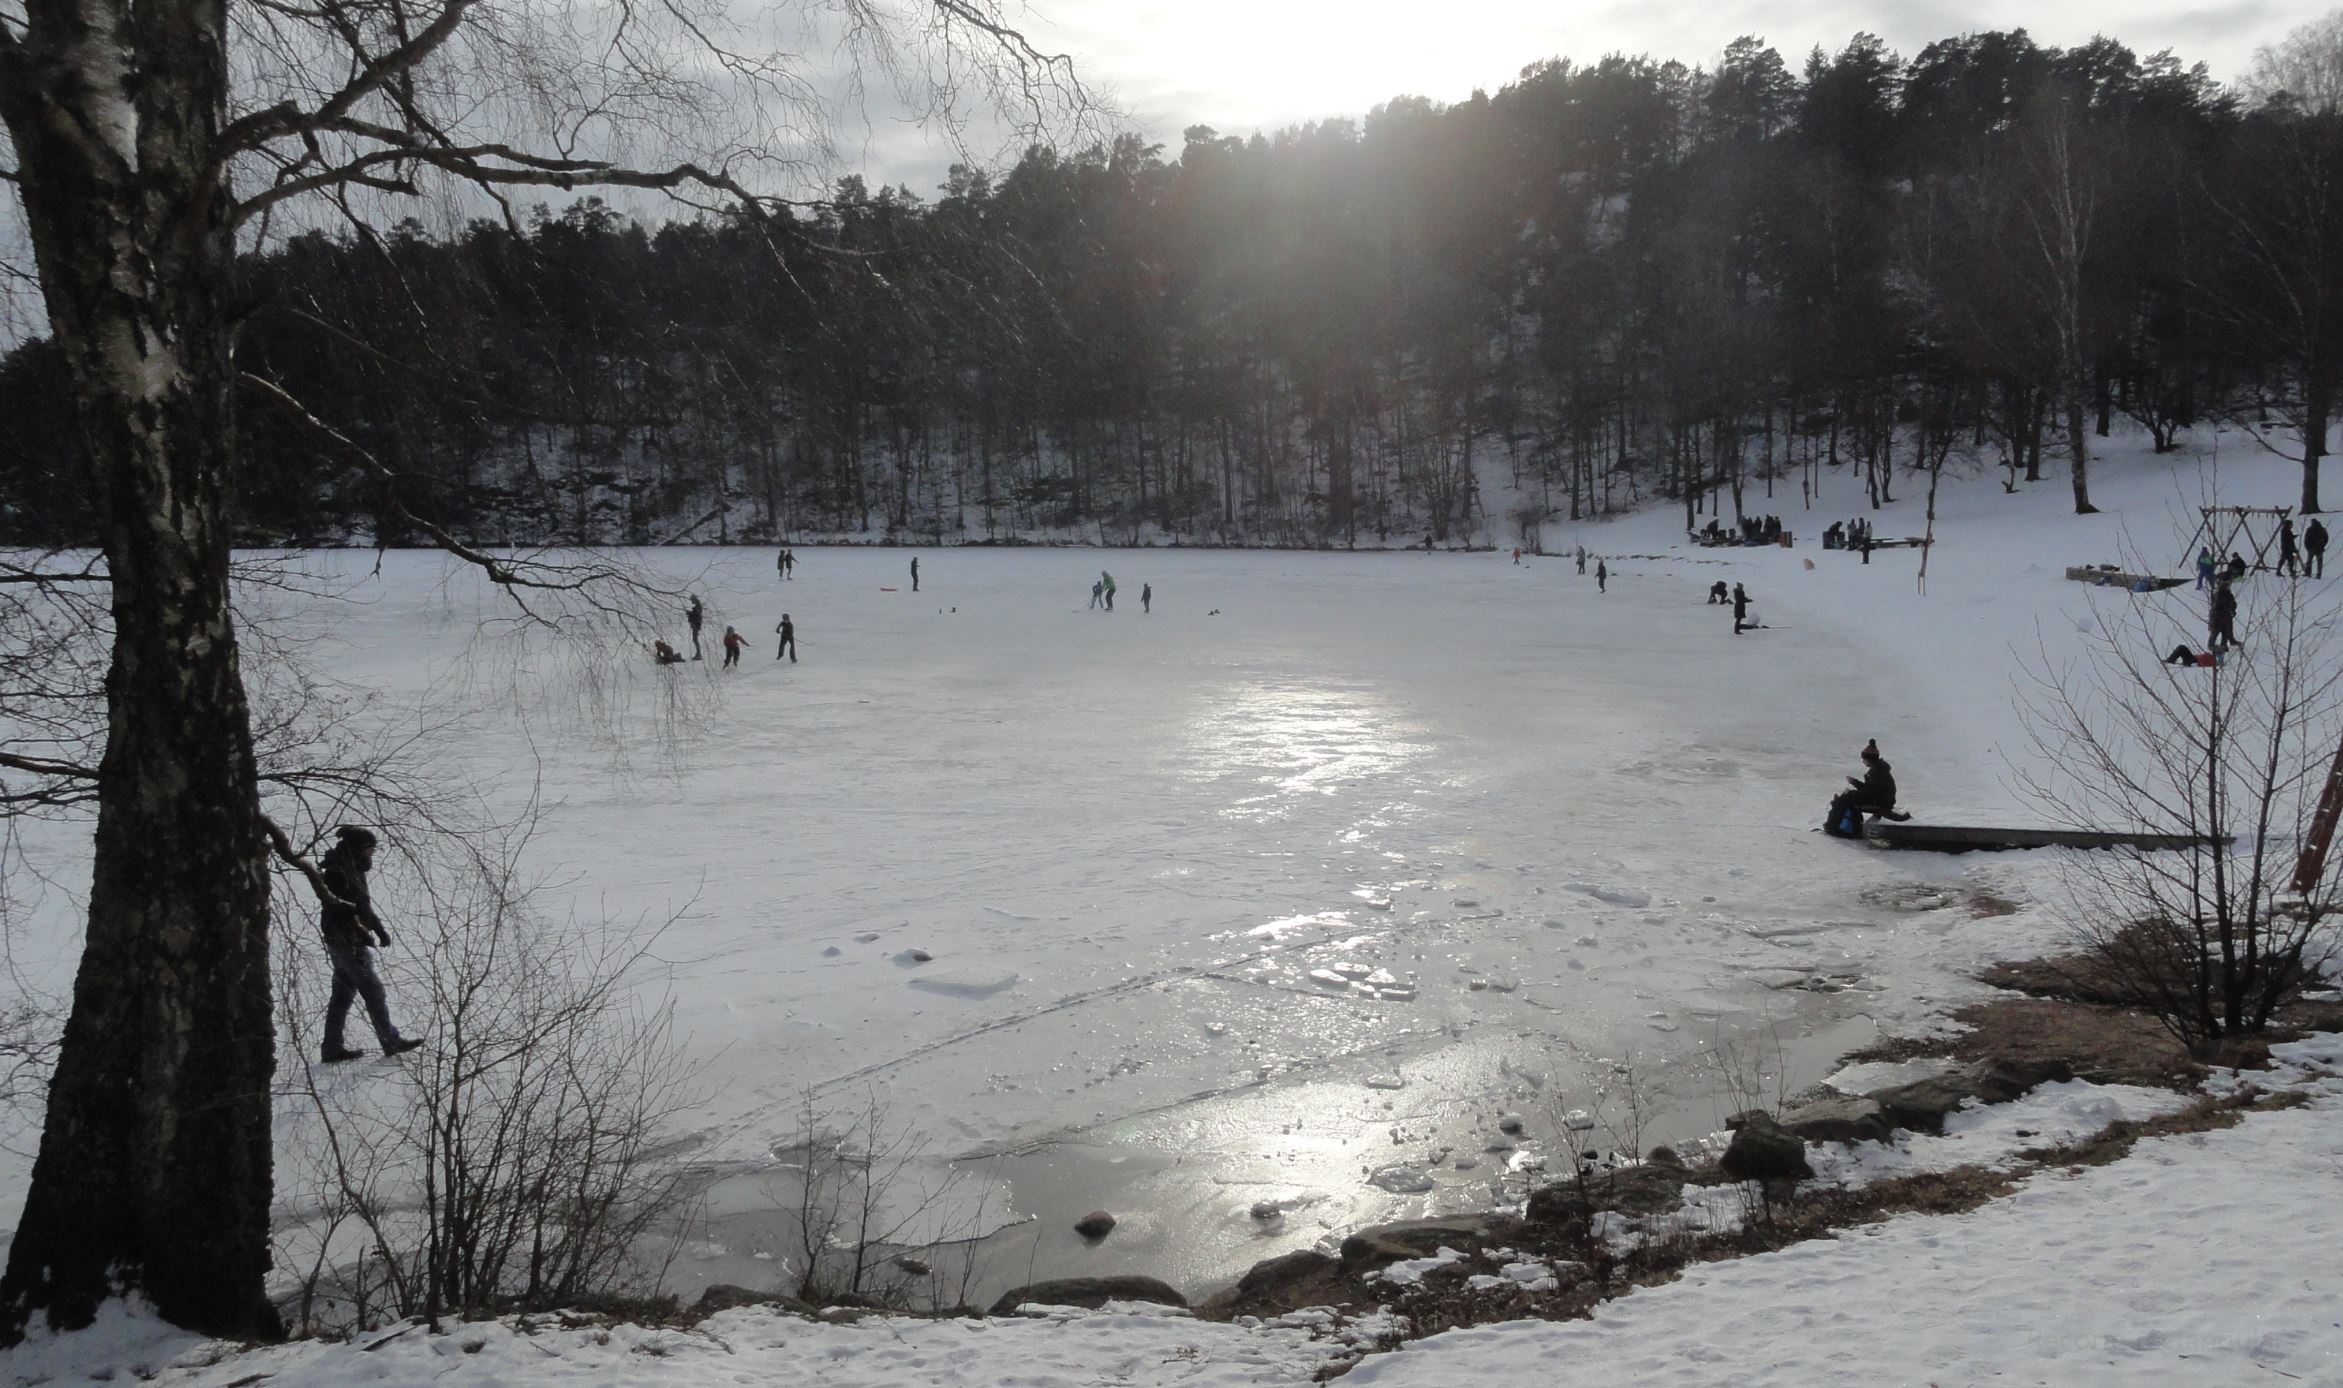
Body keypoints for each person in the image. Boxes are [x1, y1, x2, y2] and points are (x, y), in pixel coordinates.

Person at [315, 826, 423, 1063]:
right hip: (345, 942)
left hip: (344, 941)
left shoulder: (351, 868)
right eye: (370, 850)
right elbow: (343, 909)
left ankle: (331, 1049)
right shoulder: (337, 872)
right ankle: (390, 1040)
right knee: (373, 991)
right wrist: (361, 931)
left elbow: (362, 905)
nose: (372, 854)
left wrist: (378, 928)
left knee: (342, 994)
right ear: (358, 849)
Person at [1824, 740, 1898, 839]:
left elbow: (1870, 792)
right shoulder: (1877, 770)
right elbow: (1870, 789)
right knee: (1848, 799)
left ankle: (1834, 828)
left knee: (1845, 800)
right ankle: (1848, 828)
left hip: (1882, 801)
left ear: (1869, 759)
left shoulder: (1878, 772)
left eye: (1864, 759)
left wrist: (1852, 793)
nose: (1863, 761)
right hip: (1881, 799)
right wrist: (1855, 782)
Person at [2209, 579, 2239, 653]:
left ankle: (2223, 644)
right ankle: (2211, 645)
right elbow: (2216, 606)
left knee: (2226, 631)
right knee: (2215, 631)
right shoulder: (2218, 594)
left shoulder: (2228, 594)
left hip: (2226, 615)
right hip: (2218, 616)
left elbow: (2233, 603)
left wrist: (2232, 610)